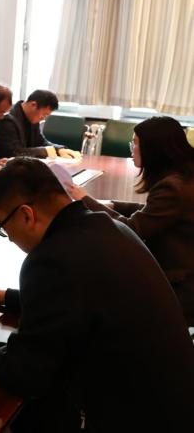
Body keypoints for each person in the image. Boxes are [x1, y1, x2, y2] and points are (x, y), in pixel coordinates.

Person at [0, 158, 194, 432]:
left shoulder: (51, 260)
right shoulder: (109, 228)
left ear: (27, 215)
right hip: (176, 403)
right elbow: (77, 302)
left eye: (4, 227)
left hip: (133, 418)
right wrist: (2, 296)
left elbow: (23, 374)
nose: (9, 238)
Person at [66, 116, 194, 324]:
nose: (131, 149)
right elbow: (154, 212)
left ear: (153, 149)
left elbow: (131, 229)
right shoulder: (183, 177)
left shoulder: (173, 187)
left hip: (179, 285)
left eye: (135, 143)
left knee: (93, 283)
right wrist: (113, 205)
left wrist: (85, 200)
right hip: (182, 272)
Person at [0, 89, 79, 159]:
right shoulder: (7, 119)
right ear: (33, 105)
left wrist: (59, 149)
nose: (44, 118)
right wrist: (45, 151)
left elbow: (41, 142)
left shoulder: (32, 117)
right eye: (44, 114)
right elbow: (13, 153)